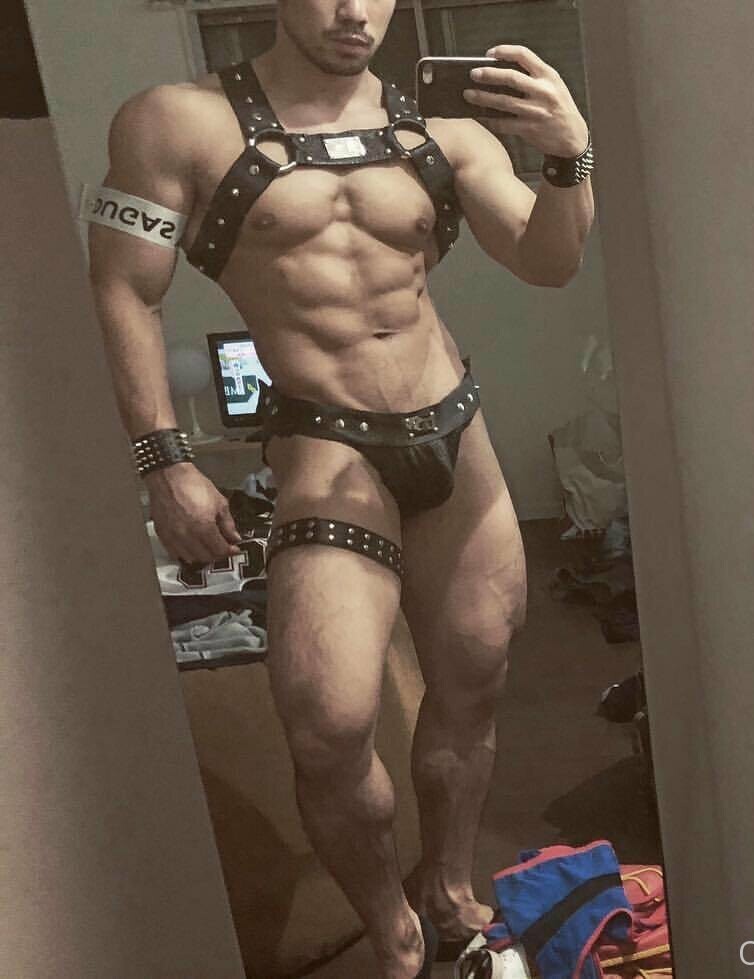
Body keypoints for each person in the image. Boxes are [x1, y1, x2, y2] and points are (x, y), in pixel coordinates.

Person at [84, 1, 595, 976]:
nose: (356, 9)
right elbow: (123, 286)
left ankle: (446, 890)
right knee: (325, 723)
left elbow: (549, 259)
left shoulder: (445, 131)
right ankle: (392, 930)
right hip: (327, 442)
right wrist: (164, 462)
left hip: (456, 434)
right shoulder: (177, 123)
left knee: (473, 688)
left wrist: (570, 155)